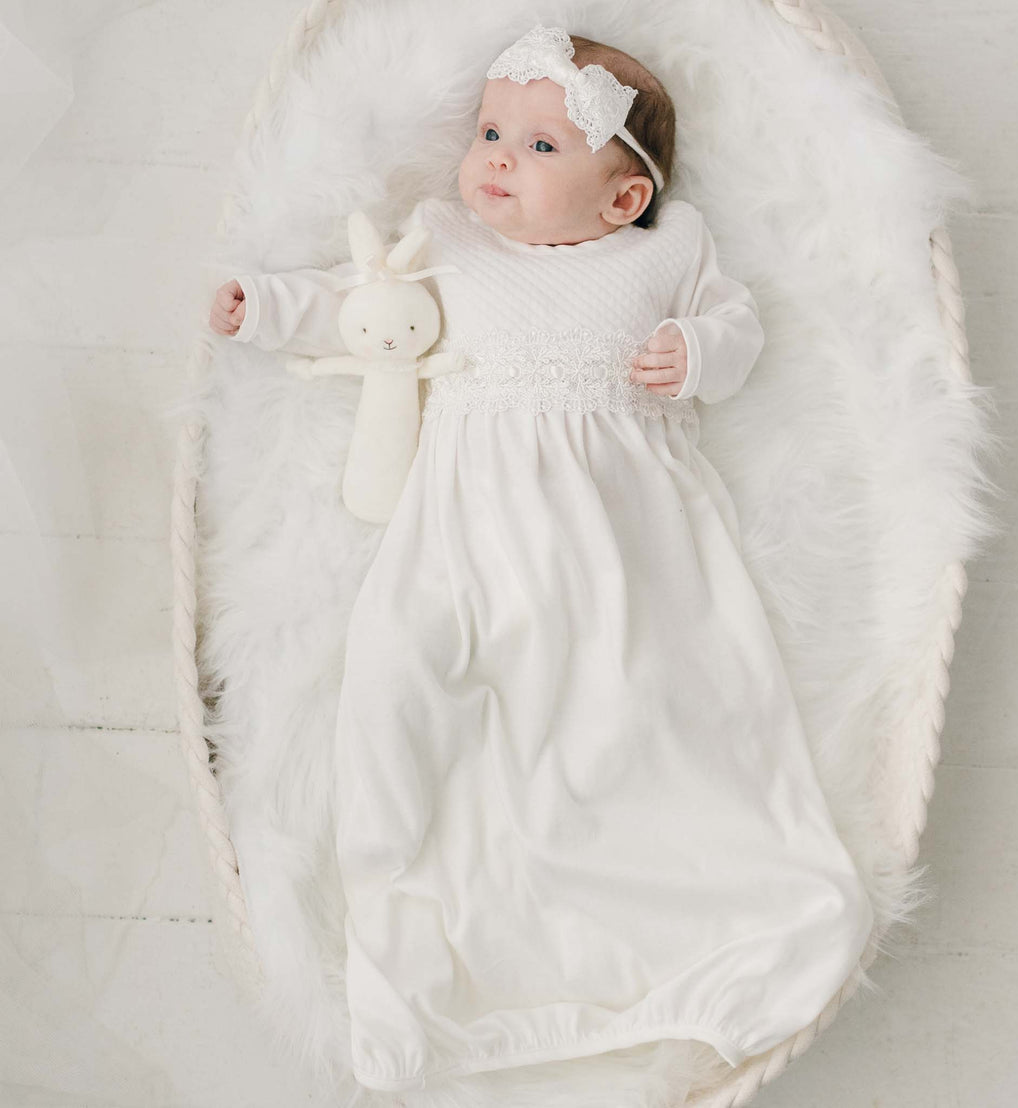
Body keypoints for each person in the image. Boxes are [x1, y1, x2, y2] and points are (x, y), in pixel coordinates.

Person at [209, 24, 874, 1106]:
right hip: (459, 530)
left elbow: (736, 325)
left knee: (637, 712)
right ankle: (427, 983)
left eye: (538, 146)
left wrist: (697, 354)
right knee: (404, 692)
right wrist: (265, 305)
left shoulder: (666, 250)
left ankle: (670, 933)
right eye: (486, 132)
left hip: (623, 539)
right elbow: (367, 306)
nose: (495, 160)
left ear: (623, 200)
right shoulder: (445, 241)